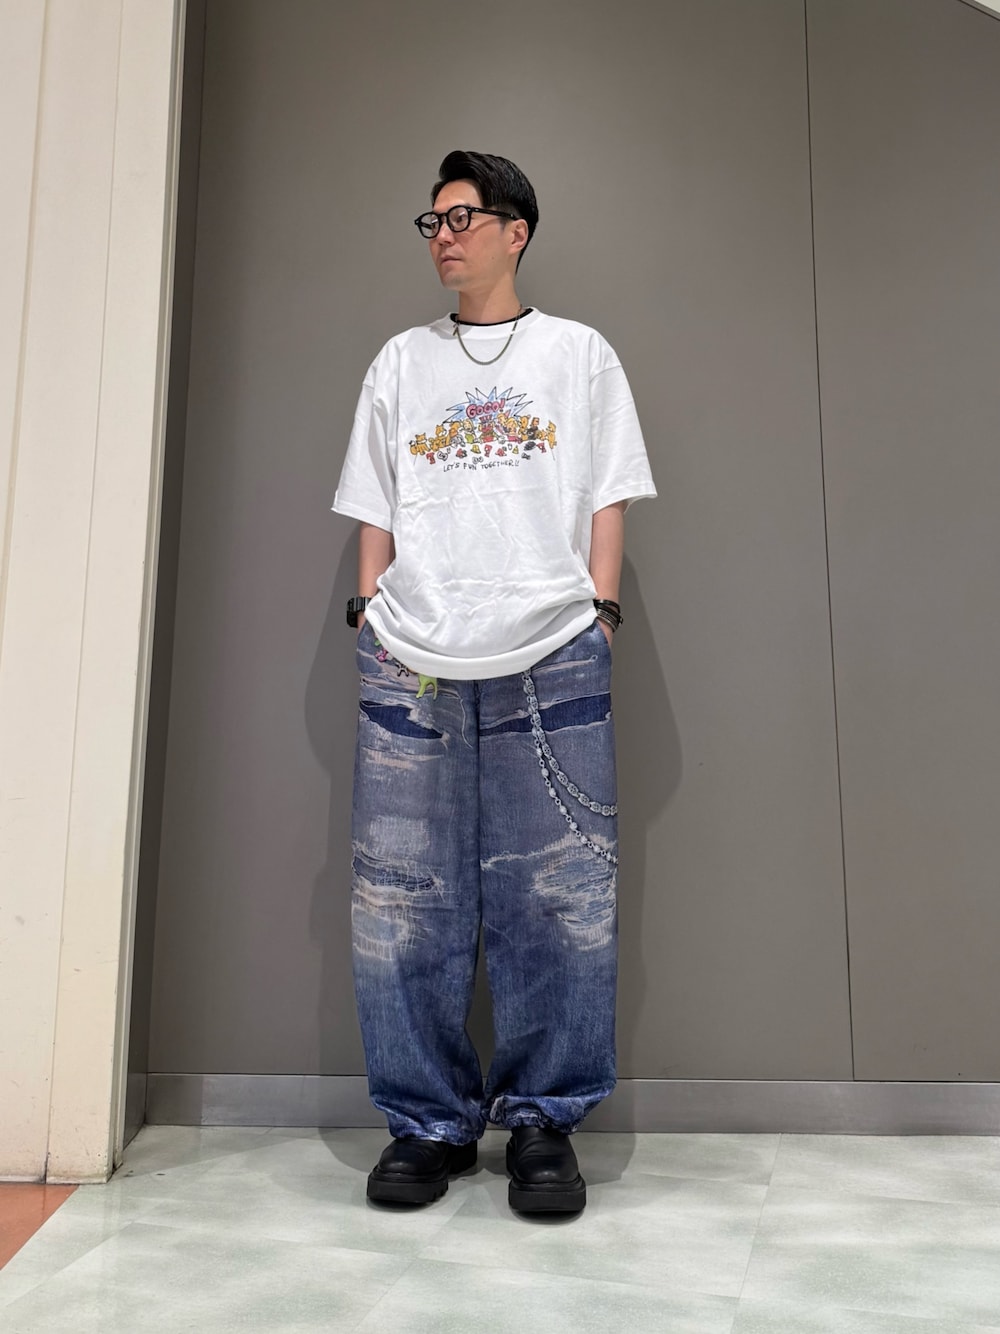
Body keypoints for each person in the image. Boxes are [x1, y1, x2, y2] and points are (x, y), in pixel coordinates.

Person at [332, 150, 655, 1215]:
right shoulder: (400, 360)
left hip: (552, 642)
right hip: (413, 651)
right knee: (401, 897)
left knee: (560, 895)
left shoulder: (578, 353)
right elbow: (374, 499)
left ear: (516, 230)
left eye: (462, 217)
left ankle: (543, 1123)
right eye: (431, 221)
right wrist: (369, 610)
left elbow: (609, 491)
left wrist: (601, 612)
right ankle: (425, 1124)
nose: (444, 235)